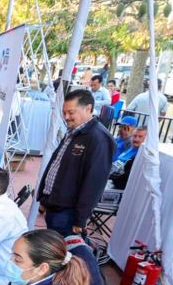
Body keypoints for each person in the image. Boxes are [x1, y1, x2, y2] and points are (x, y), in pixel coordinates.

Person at [36, 89, 115, 237]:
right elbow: (57, 164)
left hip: (68, 212)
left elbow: (94, 183)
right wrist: (44, 198)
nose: (66, 117)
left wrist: (81, 218)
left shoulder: (99, 138)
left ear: (88, 108)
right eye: (64, 112)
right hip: (55, 207)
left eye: (71, 112)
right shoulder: (75, 130)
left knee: (64, 248)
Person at [110, 126, 146, 191]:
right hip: (112, 177)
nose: (136, 139)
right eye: (134, 136)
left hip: (119, 186)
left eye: (140, 137)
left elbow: (125, 178)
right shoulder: (131, 148)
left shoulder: (140, 155)